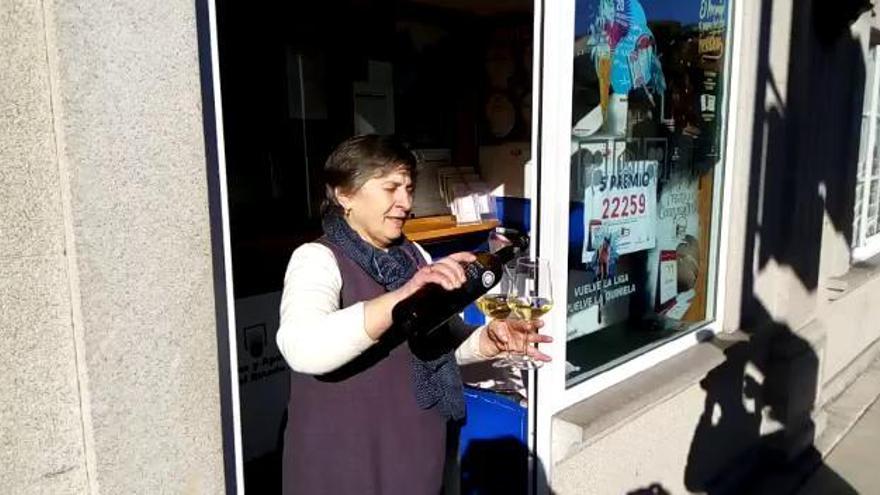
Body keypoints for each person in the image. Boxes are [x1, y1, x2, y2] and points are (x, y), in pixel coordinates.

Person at [276, 134, 552, 495]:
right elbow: (302, 348)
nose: (405, 202)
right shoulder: (316, 259)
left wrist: (484, 341)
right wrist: (402, 296)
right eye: (391, 188)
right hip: (344, 458)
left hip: (414, 448)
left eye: (409, 187)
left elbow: (432, 339)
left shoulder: (413, 254)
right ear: (344, 194)